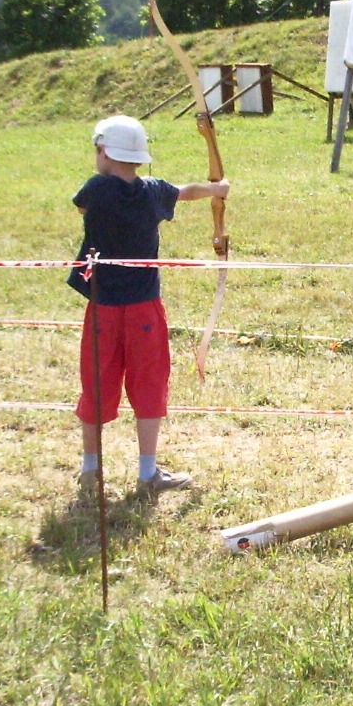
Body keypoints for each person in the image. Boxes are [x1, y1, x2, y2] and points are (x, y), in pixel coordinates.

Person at [68, 114, 228, 494]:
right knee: (149, 383)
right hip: (143, 308)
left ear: (104, 151)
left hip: (102, 307)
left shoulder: (95, 190)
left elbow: (82, 209)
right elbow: (184, 191)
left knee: (97, 382)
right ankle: (147, 472)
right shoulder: (153, 191)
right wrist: (217, 188)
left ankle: (91, 469)